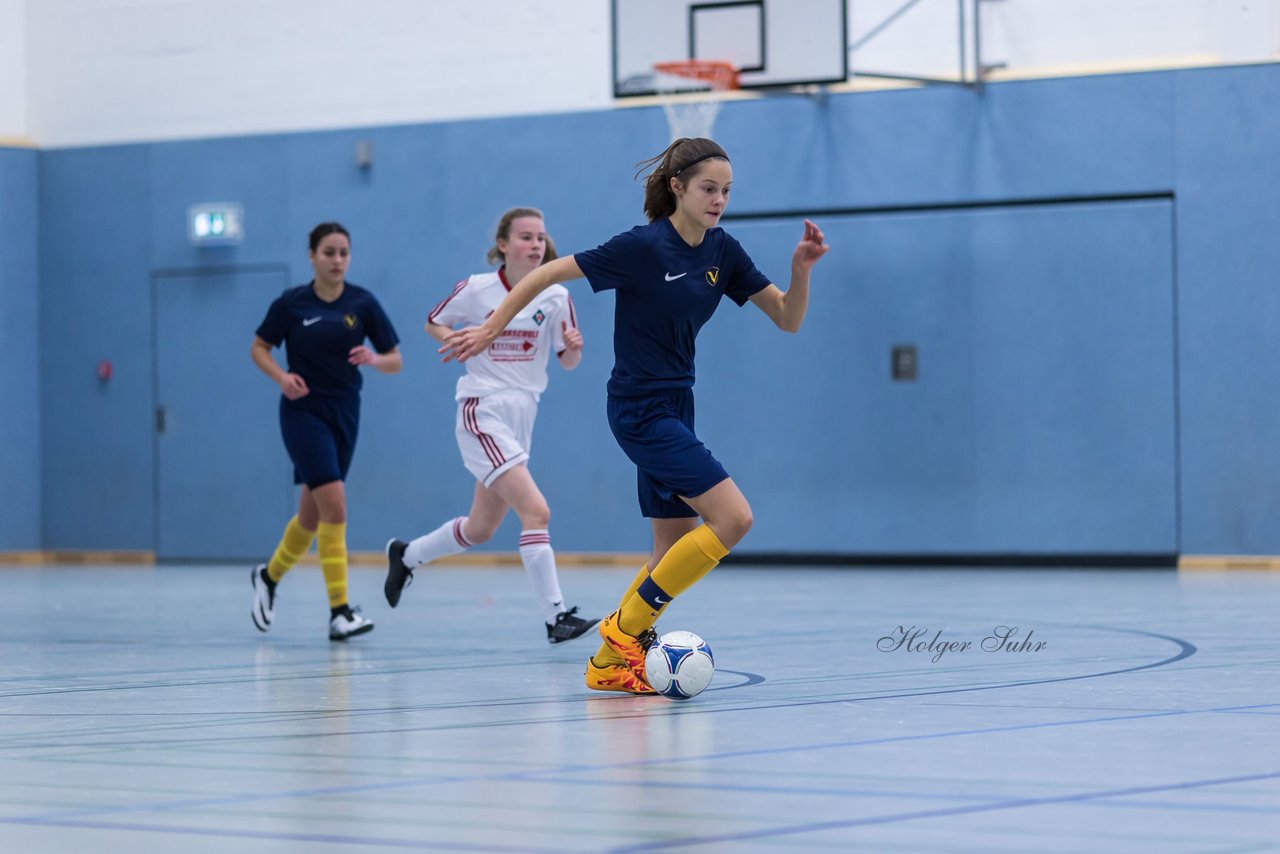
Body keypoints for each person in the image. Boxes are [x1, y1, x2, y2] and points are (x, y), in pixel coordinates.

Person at [440, 138, 828, 693]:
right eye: (707, 189)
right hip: (639, 409)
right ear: (677, 187)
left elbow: (788, 318)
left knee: (670, 551)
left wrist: (801, 268)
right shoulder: (642, 247)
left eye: (725, 191)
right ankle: (624, 634)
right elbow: (547, 274)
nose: (718, 200)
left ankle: (605, 667)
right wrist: (492, 326)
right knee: (734, 519)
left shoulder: (723, 252)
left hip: (678, 405)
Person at [384, 207, 601, 644]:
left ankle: (406, 555)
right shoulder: (477, 288)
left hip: (524, 413)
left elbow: (569, 361)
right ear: (503, 244)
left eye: (541, 237)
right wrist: (458, 339)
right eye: (525, 237)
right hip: (482, 410)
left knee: (480, 528)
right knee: (536, 511)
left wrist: (575, 348)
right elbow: (433, 322)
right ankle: (555, 617)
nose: (536, 244)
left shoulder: (556, 295)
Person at [250, 222, 403, 641]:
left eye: (343, 253)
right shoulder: (291, 304)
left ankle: (268, 576)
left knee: (311, 515)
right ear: (312, 256)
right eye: (329, 252)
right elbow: (259, 347)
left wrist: (374, 359)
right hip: (302, 412)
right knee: (334, 504)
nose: (337, 260)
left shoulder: (362, 303)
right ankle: (339, 611)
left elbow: (395, 360)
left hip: (345, 412)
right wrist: (281, 377)